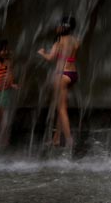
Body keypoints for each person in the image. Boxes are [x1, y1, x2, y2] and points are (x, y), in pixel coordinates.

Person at [38, 16, 80, 148]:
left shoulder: (59, 41)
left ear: (63, 27)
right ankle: (56, 139)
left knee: (61, 109)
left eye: (58, 25)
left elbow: (51, 58)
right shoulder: (75, 41)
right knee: (61, 108)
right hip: (72, 74)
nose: (56, 27)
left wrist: (42, 53)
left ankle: (69, 141)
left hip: (61, 75)